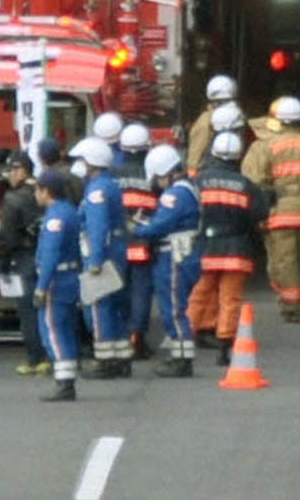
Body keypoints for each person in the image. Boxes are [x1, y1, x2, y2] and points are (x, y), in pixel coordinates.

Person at [242, 95, 300, 323]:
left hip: (281, 211)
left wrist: (257, 215)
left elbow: (255, 183)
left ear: (279, 121)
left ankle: (292, 306)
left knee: (285, 259)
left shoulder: (266, 147)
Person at [189, 131, 266, 365]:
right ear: (238, 157)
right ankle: (224, 347)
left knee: (198, 295)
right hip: (236, 250)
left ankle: (183, 341)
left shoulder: (198, 181)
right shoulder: (246, 185)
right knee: (230, 299)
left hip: (205, 249)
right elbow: (260, 214)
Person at [130, 143, 202, 377]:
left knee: (172, 307)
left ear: (165, 174)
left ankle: (182, 359)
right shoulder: (188, 188)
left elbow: (160, 226)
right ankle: (181, 354)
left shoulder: (174, 194)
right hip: (182, 253)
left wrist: (135, 228)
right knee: (175, 306)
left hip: (174, 256)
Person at [73, 137, 131, 378]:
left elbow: (97, 227)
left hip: (102, 253)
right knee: (114, 306)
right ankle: (120, 356)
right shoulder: (109, 185)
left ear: (90, 162)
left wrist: (95, 260)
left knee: (98, 306)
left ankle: (105, 360)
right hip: (115, 251)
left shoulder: (96, 190)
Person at [31, 168, 86, 401]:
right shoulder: (69, 211)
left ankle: (64, 381)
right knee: (64, 328)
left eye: (37, 189)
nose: (35, 194)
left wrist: (42, 287)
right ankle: (68, 374)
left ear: (45, 192)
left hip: (56, 279)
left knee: (52, 329)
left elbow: (51, 255)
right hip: (70, 276)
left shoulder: (55, 218)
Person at [0, 152, 51, 376]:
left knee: (28, 311)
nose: (9, 177)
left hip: (24, 258)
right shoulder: (47, 191)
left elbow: (6, 238)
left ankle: (36, 359)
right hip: (47, 256)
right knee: (50, 309)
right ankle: (57, 354)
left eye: (10, 171)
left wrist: (3, 264)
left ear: (21, 170)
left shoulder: (13, 198)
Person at [114, 122, 158, 360]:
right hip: (142, 244)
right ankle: (137, 339)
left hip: (117, 244)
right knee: (141, 291)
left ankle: (119, 337)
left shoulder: (111, 174)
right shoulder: (151, 175)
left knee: (118, 290)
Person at [186, 73, 239, 172]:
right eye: (221, 101)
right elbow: (195, 156)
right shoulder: (206, 121)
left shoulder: (237, 117)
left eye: (227, 100)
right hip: (209, 171)